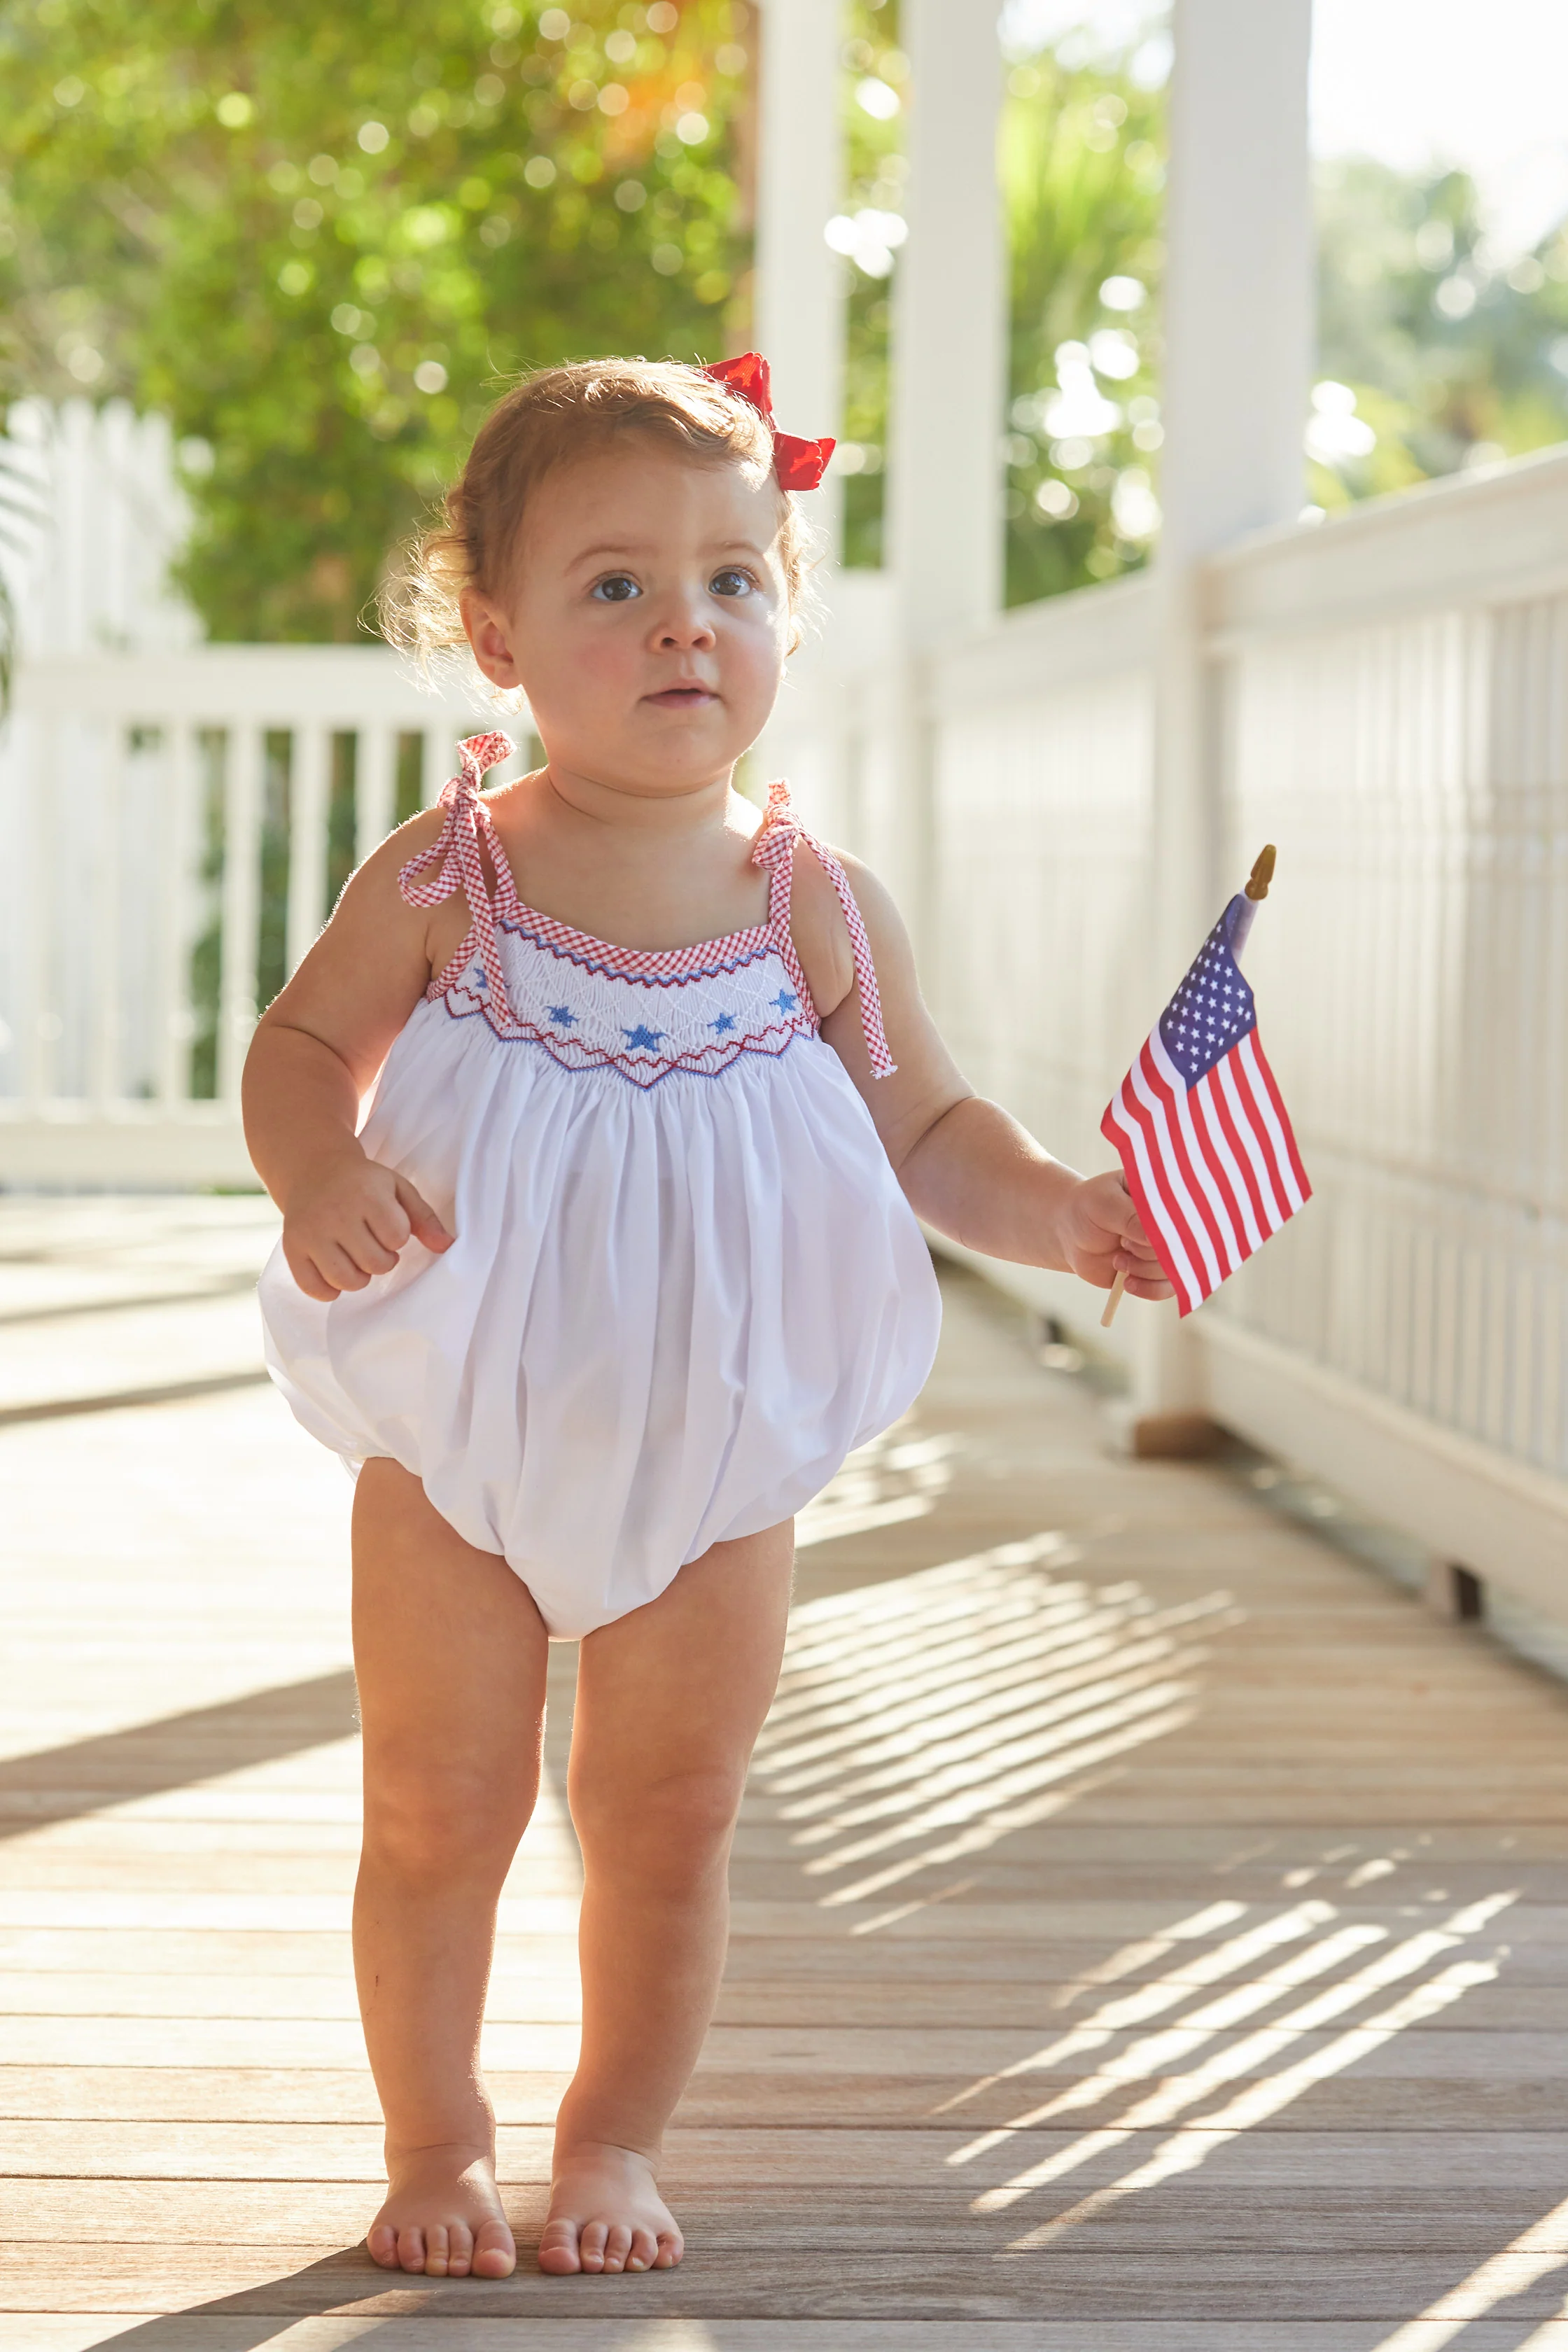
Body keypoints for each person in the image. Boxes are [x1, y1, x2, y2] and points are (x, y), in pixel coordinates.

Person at [243, 353, 1171, 2283]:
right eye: (619, 585)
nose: (687, 623)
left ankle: (612, 2139)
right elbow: (304, 1046)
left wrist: (1065, 1213)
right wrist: (317, 1172)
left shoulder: (813, 903)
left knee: (666, 1814)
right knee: (438, 1799)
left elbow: (929, 1129)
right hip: (462, 1419)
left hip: (718, 1437)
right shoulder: (450, 872)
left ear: (785, 614)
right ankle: (435, 2138)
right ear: (497, 637)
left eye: (733, 579)